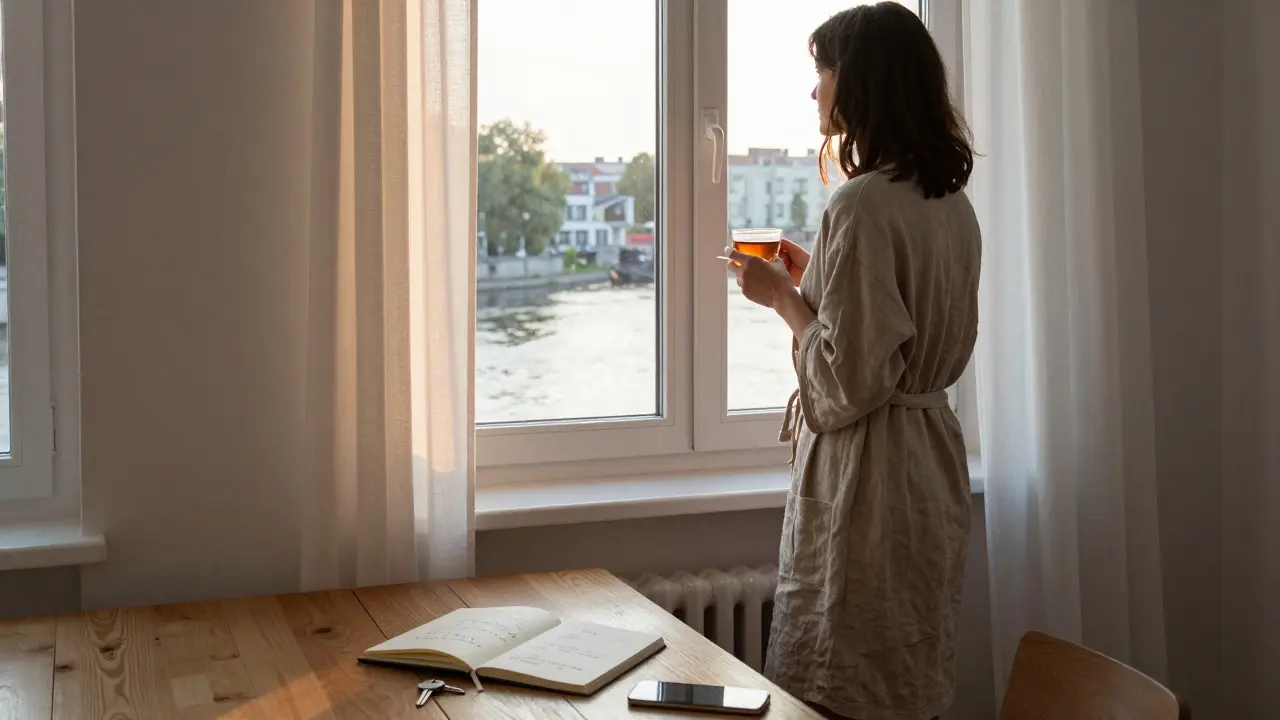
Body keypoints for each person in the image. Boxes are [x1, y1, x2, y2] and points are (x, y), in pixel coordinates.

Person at [724, 4, 979, 719]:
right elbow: (894, 332)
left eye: (823, 72)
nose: (815, 92)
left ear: (861, 81)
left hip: (870, 481)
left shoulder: (861, 204)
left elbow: (844, 383)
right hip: (927, 469)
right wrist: (816, 279)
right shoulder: (948, 203)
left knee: (844, 686)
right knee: (907, 676)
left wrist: (780, 297)